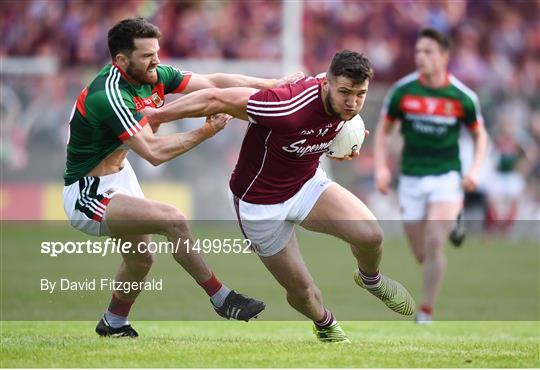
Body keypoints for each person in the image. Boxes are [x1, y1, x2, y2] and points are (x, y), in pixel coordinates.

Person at [144, 50, 416, 343]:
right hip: (260, 205)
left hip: (306, 185)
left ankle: (370, 279)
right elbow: (216, 98)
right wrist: (159, 115)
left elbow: (333, 128)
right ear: (326, 84)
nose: (352, 102)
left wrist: (339, 145)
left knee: (371, 236)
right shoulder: (285, 106)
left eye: (360, 95)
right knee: (304, 293)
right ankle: (326, 325)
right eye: (345, 93)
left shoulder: (345, 105)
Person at [63, 17, 301, 338]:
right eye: (147, 56)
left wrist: (271, 85)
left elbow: (215, 82)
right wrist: (205, 131)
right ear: (121, 61)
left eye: (156, 52)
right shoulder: (107, 95)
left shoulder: (150, 74)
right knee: (173, 219)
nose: (156, 61)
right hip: (87, 193)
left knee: (141, 258)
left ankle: (113, 323)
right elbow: (154, 153)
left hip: (120, 176)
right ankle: (221, 298)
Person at [373, 28, 488, 323]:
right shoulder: (403, 91)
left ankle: (425, 311)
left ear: (444, 57)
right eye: (418, 52)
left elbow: (480, 137)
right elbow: (384, 133)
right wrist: (381, 168)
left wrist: (474, 170)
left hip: (446, 176)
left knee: (436, 241)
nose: (421, 57)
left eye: (428, 52)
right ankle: (452, 223)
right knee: (422, 254)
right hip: (411, 178)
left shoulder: (462, 97)